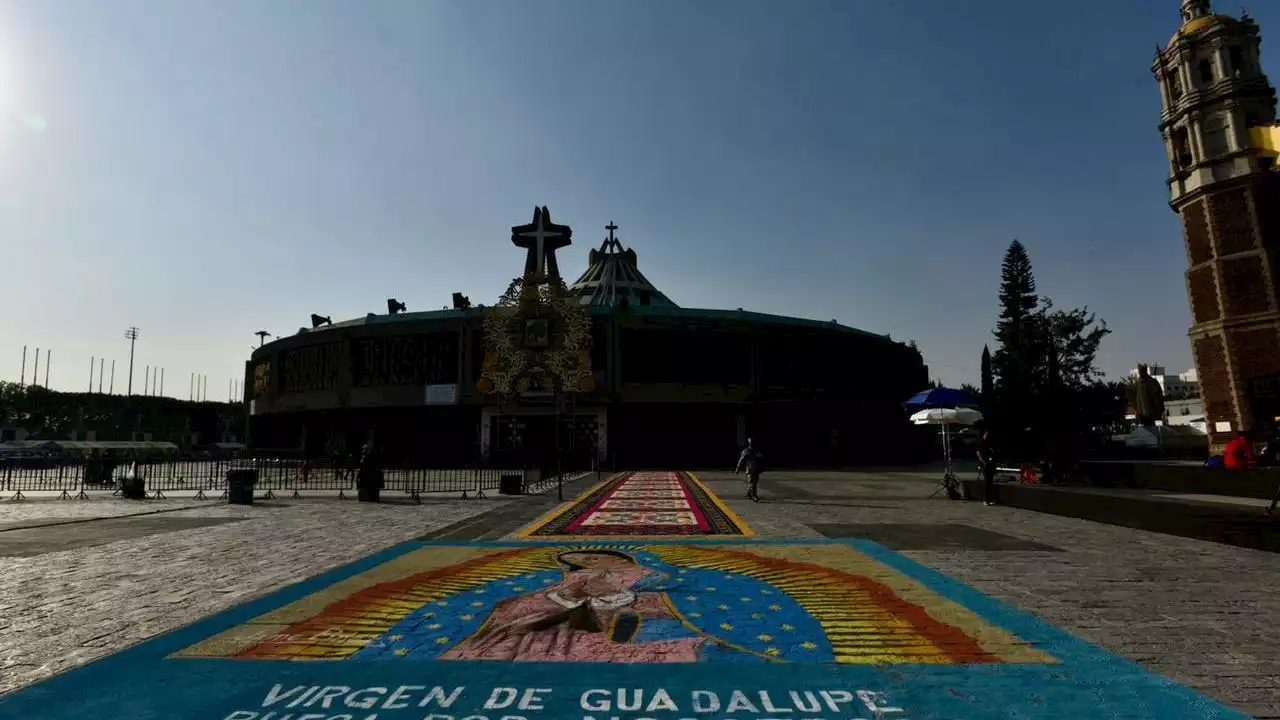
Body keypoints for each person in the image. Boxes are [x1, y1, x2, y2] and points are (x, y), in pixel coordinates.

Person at [735, 438, 763, 502]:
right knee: (752, 482)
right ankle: (754, 496)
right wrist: (737, 469)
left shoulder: (756, 450)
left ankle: (749, 492)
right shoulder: (746, 451)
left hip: (756, 469)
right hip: (750, 469)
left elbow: (760, 458)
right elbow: (741, 460)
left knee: (754, 483)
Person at [976, 424, 997, 506]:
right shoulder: (981, 442)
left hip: (990, 464)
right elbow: (978, 452)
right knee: (987, 482)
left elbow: (993, 452)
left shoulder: (990, 442)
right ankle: (986, 500)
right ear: (984, 434)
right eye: (986, 433)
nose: (988, 435)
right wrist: (983, 461)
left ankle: (991, 499)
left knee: (990, 482)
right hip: (985, 464)